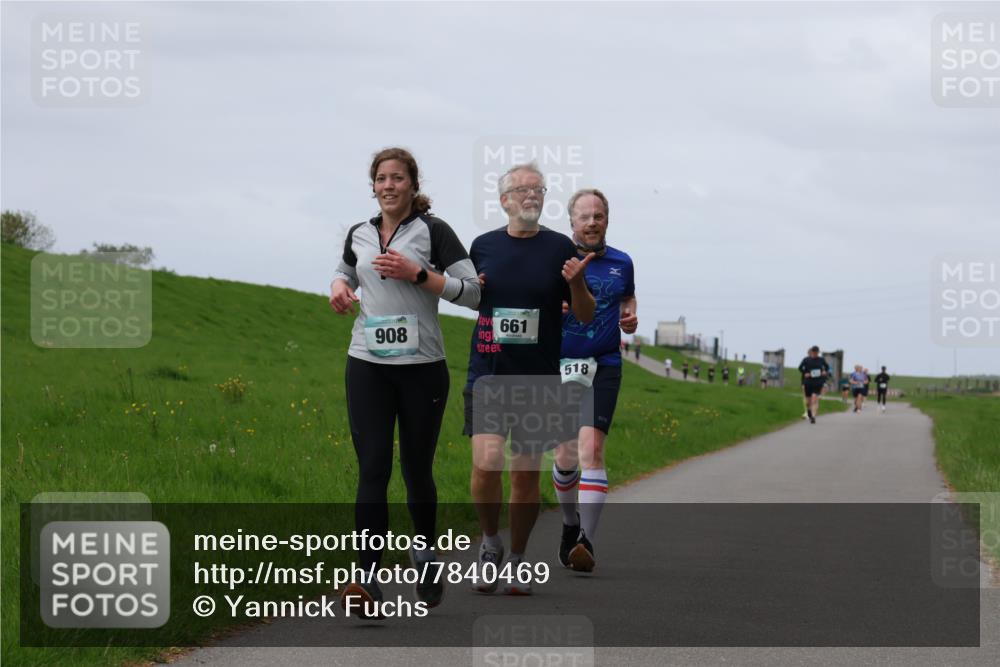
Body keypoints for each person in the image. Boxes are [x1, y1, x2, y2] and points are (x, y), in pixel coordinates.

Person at [330, 147, 481, 615]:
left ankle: (424, 553)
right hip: (367, 365)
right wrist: (338, 286)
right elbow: (345, 270)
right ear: (372, 185)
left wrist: (420, 275)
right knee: (373, 467)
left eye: (398, 178)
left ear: (413, 186)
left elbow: (474, 294)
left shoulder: (434, 232)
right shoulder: (359, 232)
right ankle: (368, 579)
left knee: (416, 469)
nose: (389, 185)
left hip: (421, 368)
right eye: (381, 178)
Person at [465, 163, 595, 595]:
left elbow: (584, 314)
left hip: (538, 378)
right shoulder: (482, 246)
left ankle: (518, 560)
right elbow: (468, 296)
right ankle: (489, 544)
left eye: (538, 189)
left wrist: (577, 284)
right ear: (503, 200)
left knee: (524, 476)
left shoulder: (561, 247)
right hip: (489, 371)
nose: (531, 195)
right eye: (522, 190)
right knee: (485, 465)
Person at [553, 188, 636, 573]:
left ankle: (586, 540)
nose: (591, 223)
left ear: (607, 219)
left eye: (598, 216)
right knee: (565, 456)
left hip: (604, 363)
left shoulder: (623, 262)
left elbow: (627, 299)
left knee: (592, 449)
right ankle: (570, 526)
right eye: (584, 217)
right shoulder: (555, 257)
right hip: (560, 363)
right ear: (572, 221)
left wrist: (631, 316)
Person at [798, 346, 830, 423]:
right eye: (814, 352)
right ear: (811, 352)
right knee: (808, 401)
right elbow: (800, 368)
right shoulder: (806, 360)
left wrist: (824, 372)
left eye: (816, 352)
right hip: (808, 382)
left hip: (818, 382)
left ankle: (813, 416)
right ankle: (809, 410)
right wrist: (805, 373)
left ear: (818, 352)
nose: (815, 353)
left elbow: (827, 367)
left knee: (814, 398)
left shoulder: (821, 360)